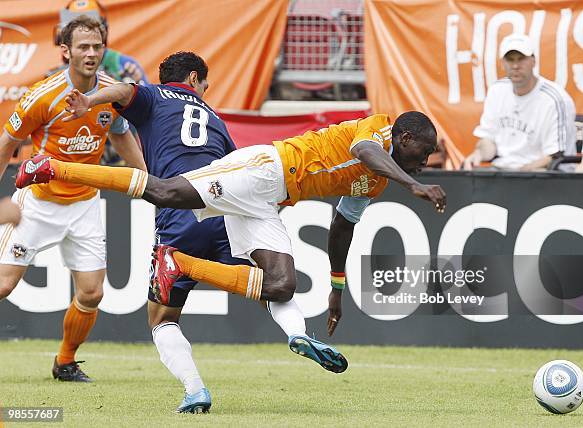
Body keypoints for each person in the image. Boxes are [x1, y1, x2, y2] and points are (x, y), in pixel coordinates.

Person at [36, 51, 352, 414]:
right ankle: (297, 333)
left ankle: (195, 390)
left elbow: (124, 90)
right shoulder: (215, 119)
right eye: (204, 83)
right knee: (270, 286)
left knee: (161, 318)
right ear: (191, 80)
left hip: (180, 212)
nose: (206, 90)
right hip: (228, 212)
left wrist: (88, 101)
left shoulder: (153, 96)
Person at [16, 109, 446, 336]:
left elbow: (342, 228)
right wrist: (413, 186)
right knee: (166, 192)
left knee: (282, 286)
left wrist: (336, 290)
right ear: (403, 139)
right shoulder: (376, 132)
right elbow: (365, 152)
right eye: (422, 154)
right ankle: (51, 167)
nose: (424, 164)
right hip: (265, 168)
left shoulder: (375, 184)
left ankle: (179, 264)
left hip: (271, 201)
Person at [0, 16, 146, 383]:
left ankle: (65, 361)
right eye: (83, 47)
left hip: (84, 206)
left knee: (92, 293)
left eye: (97, 47)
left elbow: (120, 133)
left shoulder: (110, 94)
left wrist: (146, 177)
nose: (92, 53)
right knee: (3, 286)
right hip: (38, 203)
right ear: (66, 51)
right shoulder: (43, 95)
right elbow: (7, 144)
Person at [48, 0, 148, 166]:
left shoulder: (123, 66)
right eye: (73, 26)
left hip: (117, 160)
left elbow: (145, 111)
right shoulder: (54, 74)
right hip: (70, 160)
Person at [463, 33, 576, 171]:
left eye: (521, 59)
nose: (515, 65)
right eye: (510, 60)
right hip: (505, 173)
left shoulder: (555, 99)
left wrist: (519, 174)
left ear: (533, 61)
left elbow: (556, 156)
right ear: (502, 63)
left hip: (546, 175)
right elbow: (489, 140)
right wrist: (478, 154)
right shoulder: (496, 90)